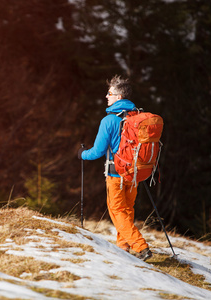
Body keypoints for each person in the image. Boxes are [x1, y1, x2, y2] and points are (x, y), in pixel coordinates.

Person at [78, 75, 152, 261]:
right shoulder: (138, 117)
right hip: (135, 173)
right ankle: (123, 246)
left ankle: (141, 247)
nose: (106, 96)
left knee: (117, 210)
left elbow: (97, 151)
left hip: (116, 173)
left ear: (118, 97)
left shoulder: (109, 120)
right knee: (127, 210)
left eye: (109, 93)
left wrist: (82, 154)